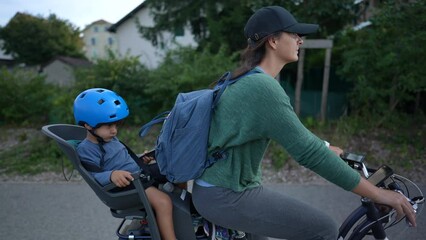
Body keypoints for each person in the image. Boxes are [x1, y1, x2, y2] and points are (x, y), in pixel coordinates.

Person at [191, 6, 416, 240]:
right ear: (273, 41)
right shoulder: (262, 88)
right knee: (323, 230)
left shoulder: (249, 81)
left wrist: (325, 146)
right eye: (294, 34)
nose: (300, 40)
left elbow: (292, 131)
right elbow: (309, 153)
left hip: (219, 190)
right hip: (227, 195)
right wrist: (378, 194)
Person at [73, 88, 177, 240]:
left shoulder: (109, 138)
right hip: (130, 184)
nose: (114, 131)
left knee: (178, 169)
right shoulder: (87, 149)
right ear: (88, 125)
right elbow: (93, 175)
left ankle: (183, 206)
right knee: (163, 202)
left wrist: (141, 159)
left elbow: (122, 160)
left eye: (116, 125)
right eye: (109, 126)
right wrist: (111, 175)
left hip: (139, 173)